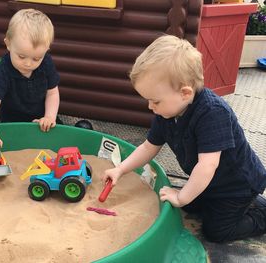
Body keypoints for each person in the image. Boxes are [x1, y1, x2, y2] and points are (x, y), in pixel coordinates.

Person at [102, 35, 266, 242]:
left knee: (217, 231)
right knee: (189, 204)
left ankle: (261, 213)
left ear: (185, 93)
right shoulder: (166, 113)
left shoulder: (213, 113)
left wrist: (182, 196)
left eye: (155, 101)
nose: (150, 107)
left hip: (236, 186)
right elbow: (148, 147)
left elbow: (208, 165)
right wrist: (120, 169)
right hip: (210, 183)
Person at [0, 9, 60, 150]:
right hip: (12, 122)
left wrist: (49, 117)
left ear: (47, 50)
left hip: (41, 120)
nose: (28, 64)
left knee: (59, 142)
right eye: (21, 57)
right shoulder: (3, 70)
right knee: (7, 146)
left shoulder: (46, 63)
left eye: (36, 58)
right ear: (8, 44)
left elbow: (52, 93)